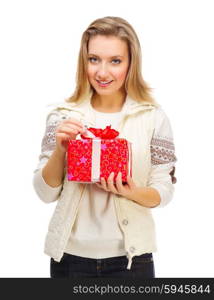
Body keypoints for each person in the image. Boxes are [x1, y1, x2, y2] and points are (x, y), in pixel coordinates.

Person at [33, 16, 177, 278]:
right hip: (69, 259)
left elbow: (164, 191)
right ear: (83, 61)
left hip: (132, 260)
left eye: (115, 61)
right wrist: (60, 149)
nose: (102, 72)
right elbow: (44, 194)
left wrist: (133, 192)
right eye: (94, 59)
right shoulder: (63, 117)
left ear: (131, 63)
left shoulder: (153, 117)